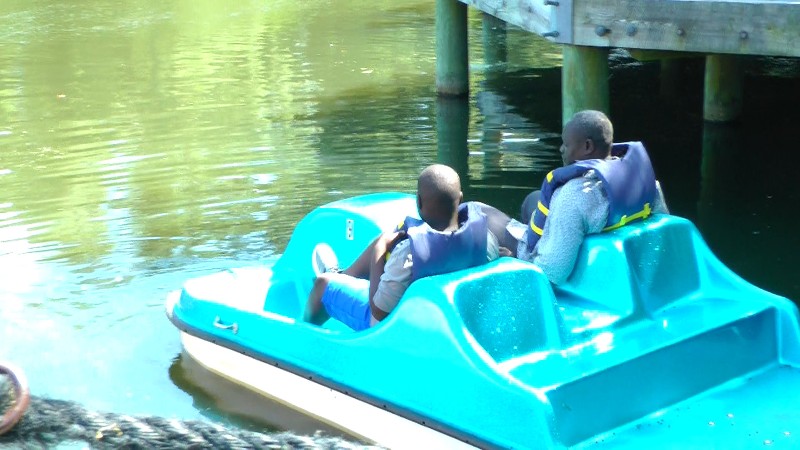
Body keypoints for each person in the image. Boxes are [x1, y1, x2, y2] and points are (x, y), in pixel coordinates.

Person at [304, 164, 504, 331]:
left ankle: (304, 335)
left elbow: (378, 312)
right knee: (387, 245)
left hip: (398, 328)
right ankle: (343, 276)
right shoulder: (487, 241)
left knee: (322, 283)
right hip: (451, 321)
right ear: (460, 199)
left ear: (418, 201)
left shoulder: (409, 254)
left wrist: (378, 252)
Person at [511, 109, 670, 284]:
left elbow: (552, 273)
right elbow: (662, 225)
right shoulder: (647, 182)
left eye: (566, 144)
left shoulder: (574, 196)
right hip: (624, 249)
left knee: (488, 215)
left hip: (568, 266)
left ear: (587, 146)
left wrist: (516, 257)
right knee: (533, 199)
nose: (561, 149)